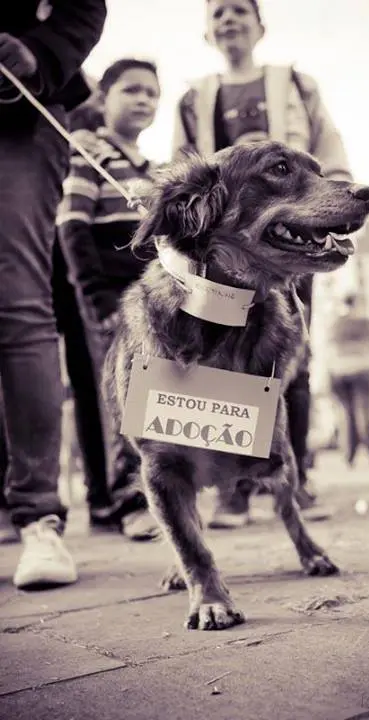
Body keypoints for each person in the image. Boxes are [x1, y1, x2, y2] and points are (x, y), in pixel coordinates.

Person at [172, 0, 353, 528]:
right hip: (225, 248)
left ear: (260, 26)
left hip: (295, 237)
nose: (229, 19)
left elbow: (328, 143)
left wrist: (330, 207)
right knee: (220, 359)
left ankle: (294, 479)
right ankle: (233, 490)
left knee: (289, 355)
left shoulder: (296, 82)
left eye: (239, 10)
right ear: (208, 32)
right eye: (218, 13)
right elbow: (181, 163)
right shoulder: (193, 98)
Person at [0, 1, 107, 588]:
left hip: (16, 110)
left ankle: (38, 514)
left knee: (18, 305)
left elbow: (83, 4)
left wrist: (37, 52)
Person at [56, 58, 162, 541]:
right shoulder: (87, 155)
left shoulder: (155, 170)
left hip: (149, 300)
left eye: (152, 93)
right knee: (118, 399)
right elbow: (72, 228)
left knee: (150, 395)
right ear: (104, 98)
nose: (143, 99)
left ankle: (137, 493)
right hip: (106, 298)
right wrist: (94, 296)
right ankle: (126, 500)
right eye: (131, 90)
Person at [327, 292, 369, 467]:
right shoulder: (365, 323)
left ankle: (349, 458)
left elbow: (330, 348)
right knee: (363, 414)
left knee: (346, 416)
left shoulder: (336, 323)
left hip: (339, 372)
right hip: (362, 370)